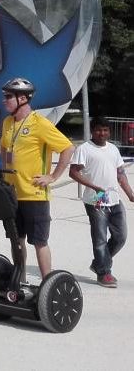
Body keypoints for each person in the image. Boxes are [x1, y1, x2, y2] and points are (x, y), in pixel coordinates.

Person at [0, 77, 73, 279]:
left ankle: (47, 283)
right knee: (16, 240)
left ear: (23, 98)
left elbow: (68, 148)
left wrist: (53, 176)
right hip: (13, 194)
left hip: (34, 194)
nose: (4, 100)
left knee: (39, 242)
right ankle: (19, 279)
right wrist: (5, 177)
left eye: (8, 97)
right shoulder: (7, 122)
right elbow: (6, 149)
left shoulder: (39, 123)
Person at [69, 117, 133, 288]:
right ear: (92, 131)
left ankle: (99, 263)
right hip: (96, 199)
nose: (102, 133)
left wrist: (130, 194)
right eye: (98, 130)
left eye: (105, 130)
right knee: (100, 239)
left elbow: (120, 174)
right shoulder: (84, 149)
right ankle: (104, 272)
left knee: (120, 236)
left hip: (114, 198)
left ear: (109, 132)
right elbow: (73, 173)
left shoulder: (113, 149)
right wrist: (93, 186)